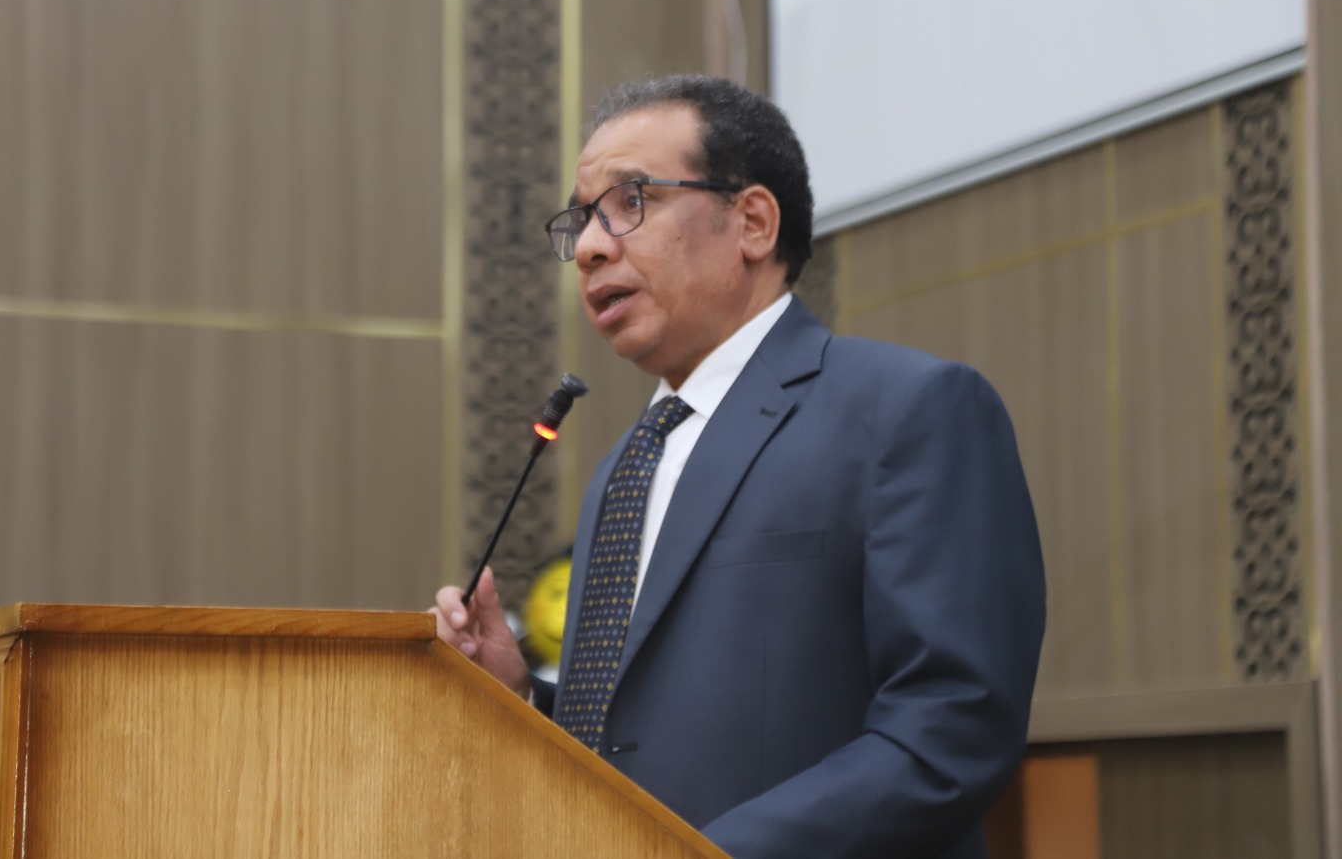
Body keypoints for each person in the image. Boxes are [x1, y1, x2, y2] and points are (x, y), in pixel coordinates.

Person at [433, 75, 1045, 859]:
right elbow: (642, 734)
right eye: (582, 219)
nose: (588, 247)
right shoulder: (624, 465)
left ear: (752, 221)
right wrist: (524, 693)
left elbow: (953, 728)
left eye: (630, 201)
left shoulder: (909, 410)